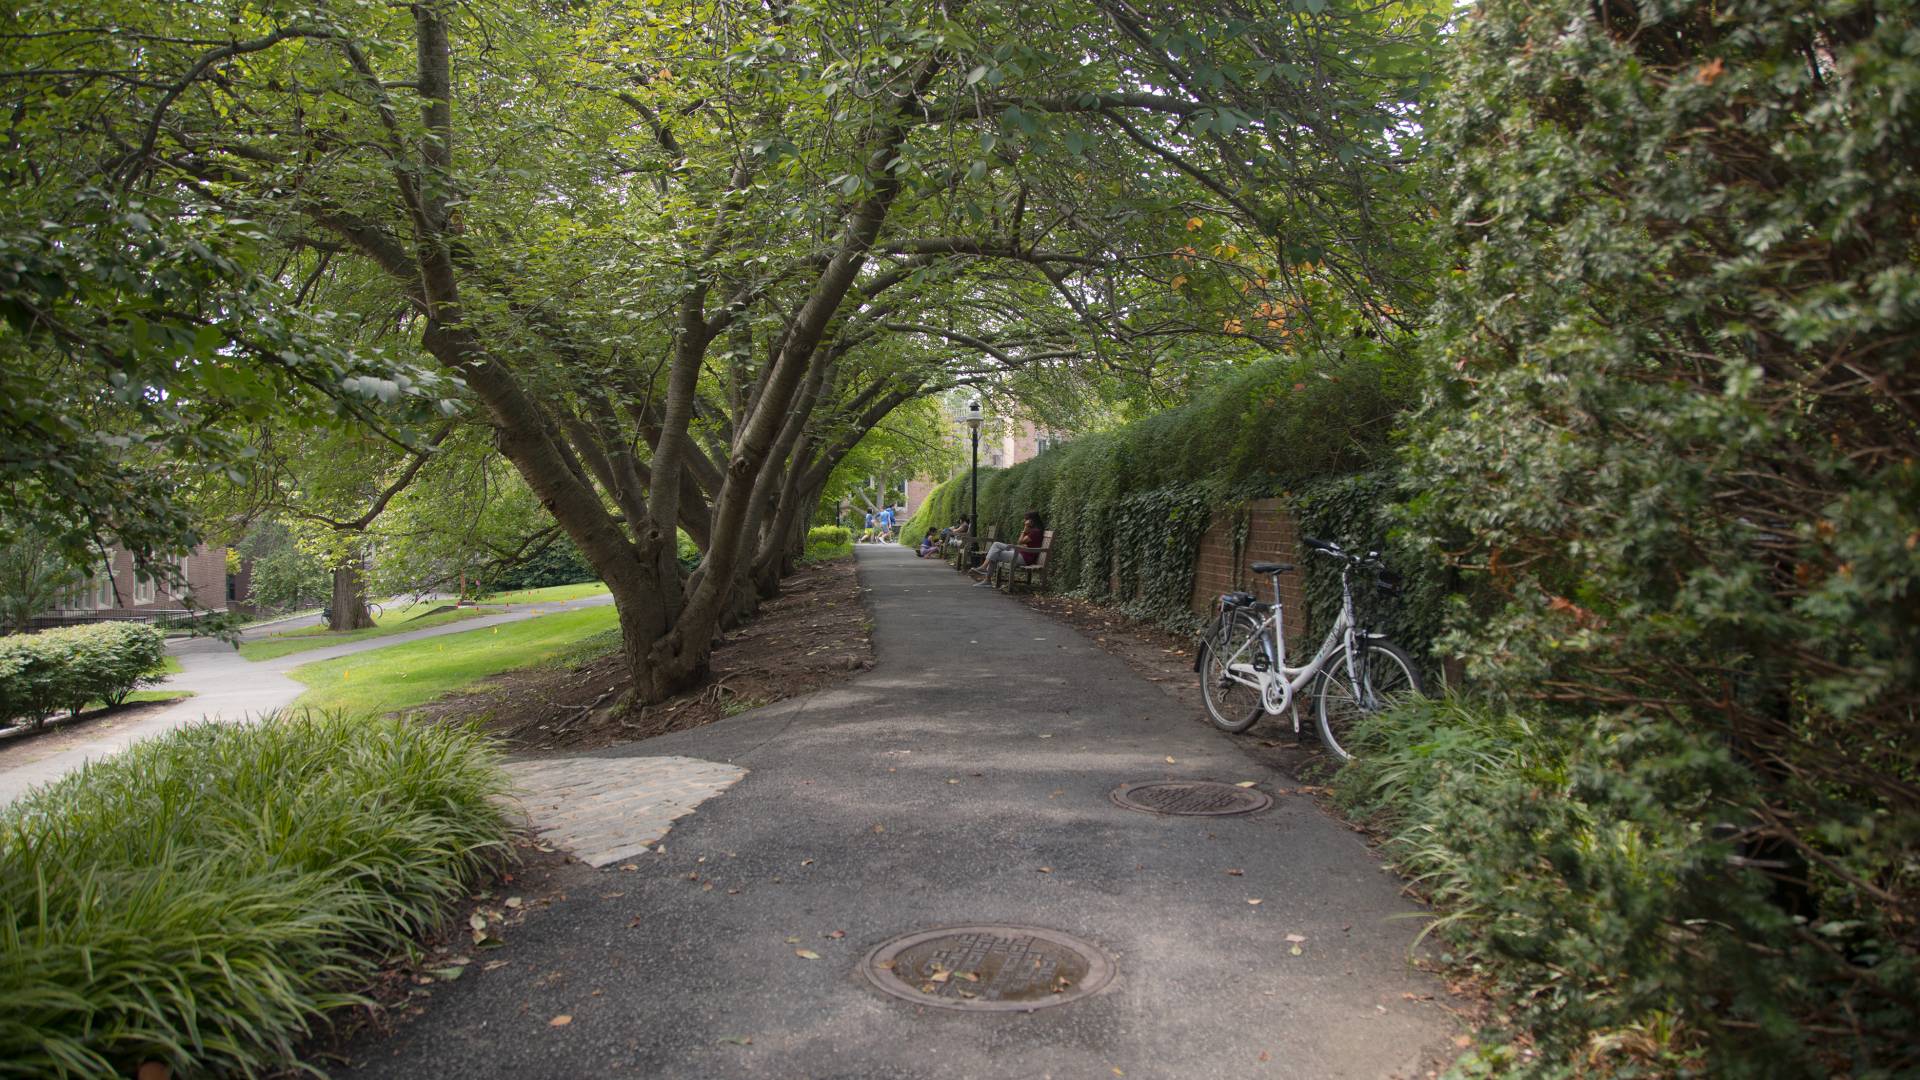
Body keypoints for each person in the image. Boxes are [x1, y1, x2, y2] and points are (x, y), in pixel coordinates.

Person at [969, 511, 1044, 586]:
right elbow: (1022, 543)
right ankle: (985, 572)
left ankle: (986, 575)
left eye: (1026, 519)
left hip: (1024, 558)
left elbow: (1020, 541)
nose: (1024, 521)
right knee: (996, 547)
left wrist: (1025, 529)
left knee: (996, 552)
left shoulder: (1035, 532)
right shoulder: (1034, 531)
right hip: (1021, 553)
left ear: (1031, 521)